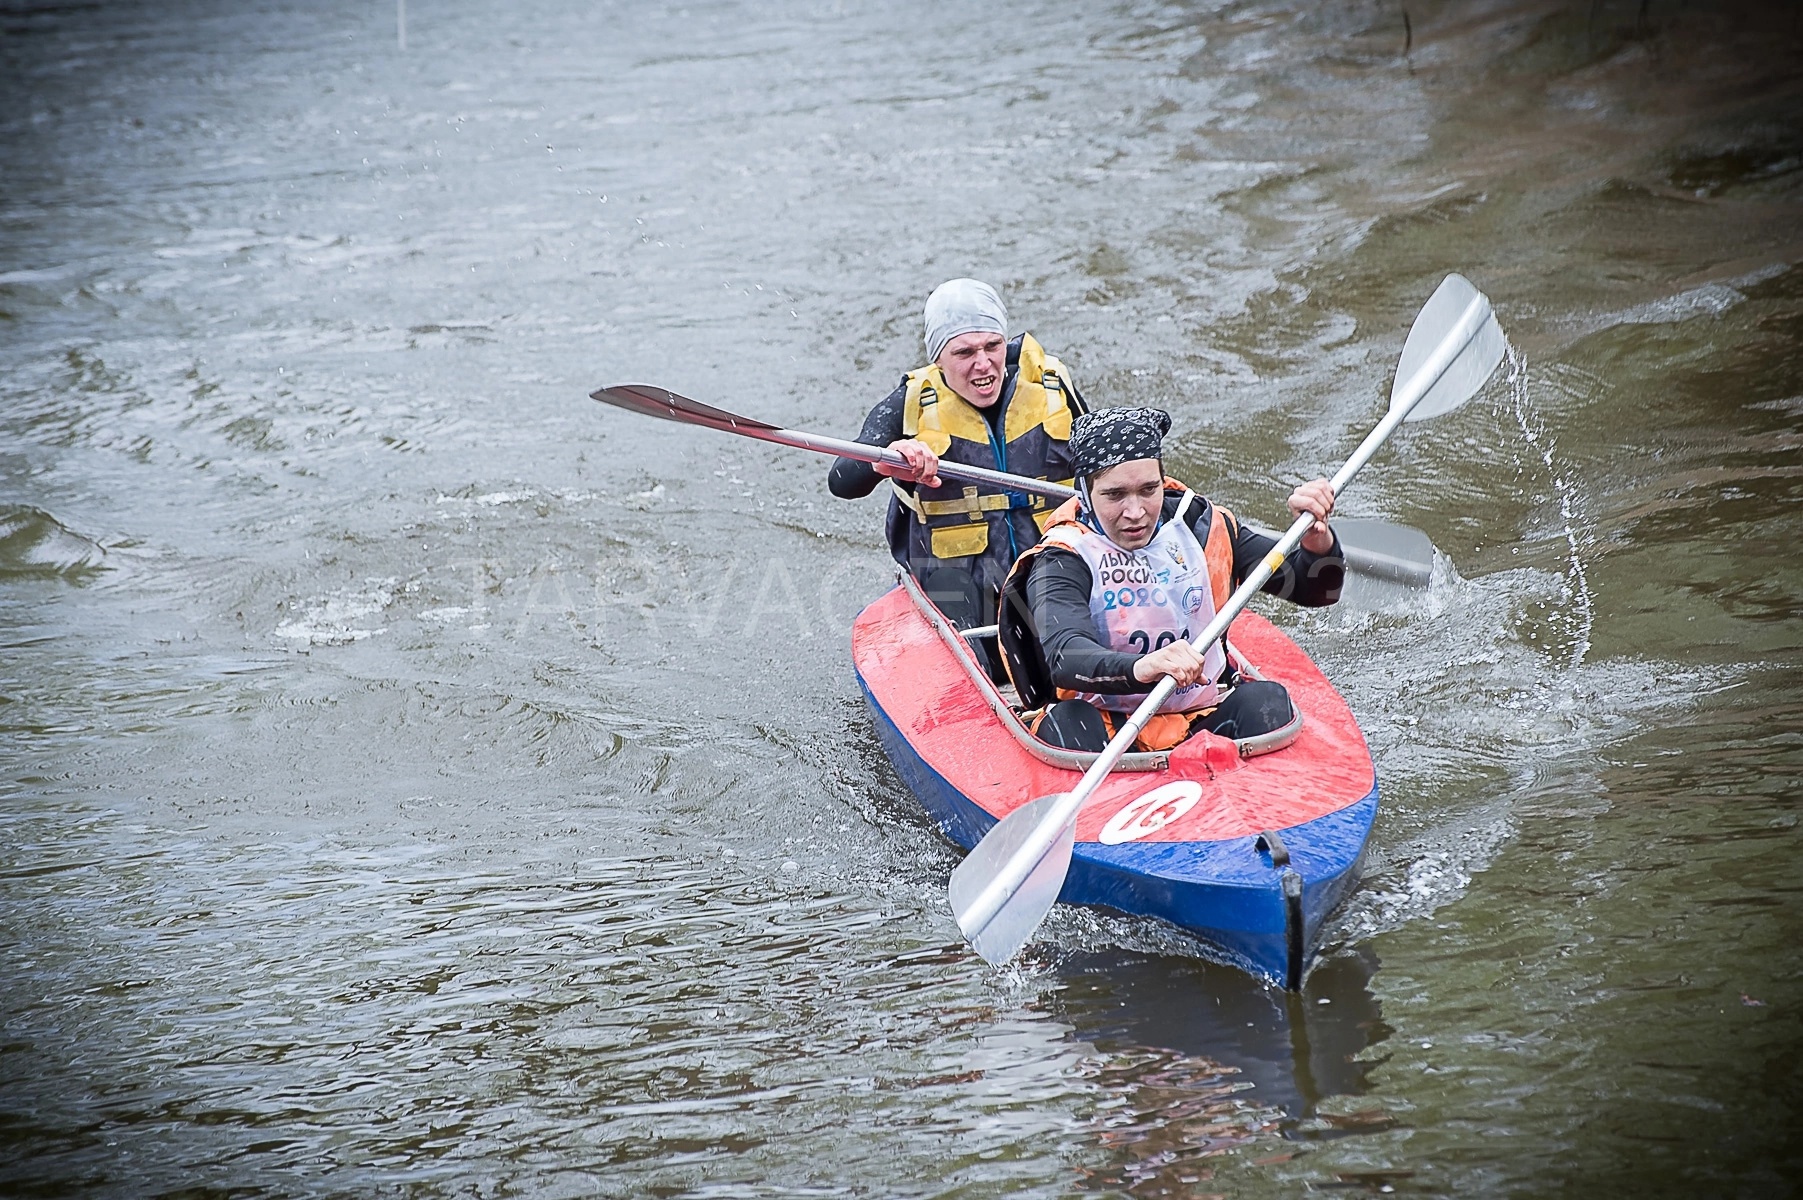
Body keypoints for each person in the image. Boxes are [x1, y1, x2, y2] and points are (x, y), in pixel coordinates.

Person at [998, 407, 1344, 753]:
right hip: (1103, 722)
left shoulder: (1202, 526)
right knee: (1069, 727)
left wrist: (1317, 539)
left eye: (1148, 489)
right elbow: (1065, 657)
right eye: (1115, 495)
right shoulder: (1061, 556)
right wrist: (1144, 667)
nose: (1135, 512)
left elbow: (1317, 589)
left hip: (1199, 713)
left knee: (1268, 701)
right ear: (1087, 492)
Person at [828, 280, 1087, 662]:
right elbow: (841, 480)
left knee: (1064, 642)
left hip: (1045, 560)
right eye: (964, 352)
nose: (983, 364)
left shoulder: (1052, 386)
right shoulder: (909, 404)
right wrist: (885, 460)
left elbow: (1107, 469)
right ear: (938, 359)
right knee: (973, 654)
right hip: (956, 577)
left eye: (992, 347)